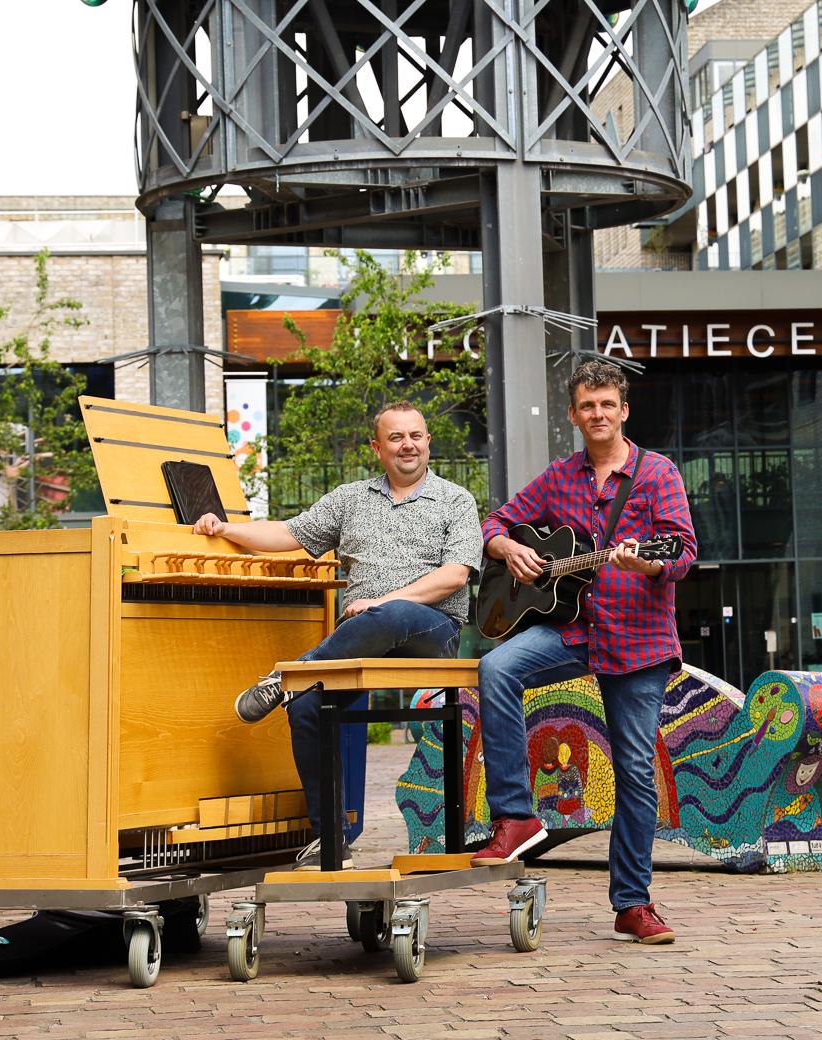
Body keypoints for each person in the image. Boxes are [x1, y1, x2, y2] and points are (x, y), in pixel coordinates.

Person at [195, 401, 483, 868]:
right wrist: (226, 527)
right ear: (377, 448)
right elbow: (288, 534)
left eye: (415, 435)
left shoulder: (456, 500)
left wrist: (383, 601)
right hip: (362, 637)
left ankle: (287, 676)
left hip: (431, 630)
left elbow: (455, 575)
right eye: (396, 437)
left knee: (390, 613)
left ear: (429, 442)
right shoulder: (350, 499)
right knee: (307, 705)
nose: (407, 445)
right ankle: (330, 840)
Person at [474, 359, 697, 946]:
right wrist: (507, 548)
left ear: (623, 411)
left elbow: (682, 552)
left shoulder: (658, 473)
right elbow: (494, 522)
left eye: (607, 405)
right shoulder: (559, 477)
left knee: (635, 773)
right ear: (573, 415)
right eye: (587, 406)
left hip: (639, 641)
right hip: (572, 630)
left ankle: (632, 905)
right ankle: (516, 815)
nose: (598, 414)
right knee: (496, 667)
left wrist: (647, 563)